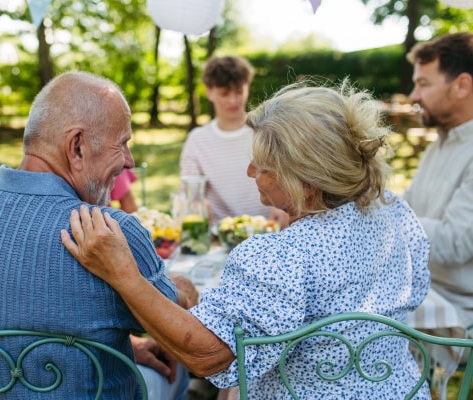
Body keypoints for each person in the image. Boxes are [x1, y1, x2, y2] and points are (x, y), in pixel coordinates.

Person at [62, 79, 432, 399]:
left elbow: (211, 356)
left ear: (304, 182)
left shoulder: (281, 256)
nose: (250, 171)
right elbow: (413, 288)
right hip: (399, 390)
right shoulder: (393, 212)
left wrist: (123, 274)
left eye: (263, 166)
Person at [0, 71, 197, 399]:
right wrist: (185, 288)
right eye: (122, 144)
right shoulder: (109, 231)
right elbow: (177, 324)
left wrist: (127, 348)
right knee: (176, 369)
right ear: (76, 146)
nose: (129, 162)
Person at [403, 32, 473, 330]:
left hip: (459, 311)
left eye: (424, 84)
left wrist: (389, 219)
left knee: (354, 326)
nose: (414, 96)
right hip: (422, 291)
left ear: (462, 86)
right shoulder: (439, 144)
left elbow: (454, 243)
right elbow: (404, 206)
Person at [179, 55, 278, 226]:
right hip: (221, 235)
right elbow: (189, 190)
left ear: (247, 87)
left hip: (269, 229)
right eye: (225, 93)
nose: (233, 100)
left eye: (239, 91)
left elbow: (289, 176)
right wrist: (196, 203)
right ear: (209, 92)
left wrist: (284, 206)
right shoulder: (197, 140)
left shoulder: (266, 131)